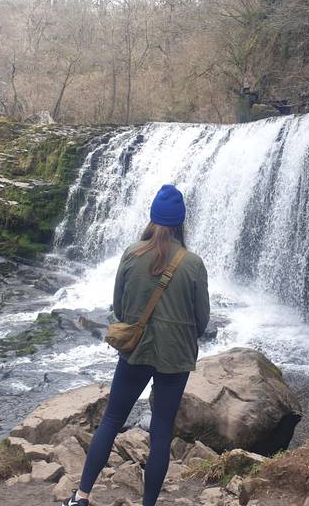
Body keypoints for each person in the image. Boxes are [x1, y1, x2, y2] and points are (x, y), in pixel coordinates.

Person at [62, 184, 210, 506]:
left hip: (135, 350)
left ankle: (82, 497)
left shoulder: (132, 253)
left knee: (112, 420)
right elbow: (202, 321)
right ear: (181, 223)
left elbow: (118, 307)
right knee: (161, 431)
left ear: (152, 219)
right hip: (175, 356)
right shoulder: (194, 263)